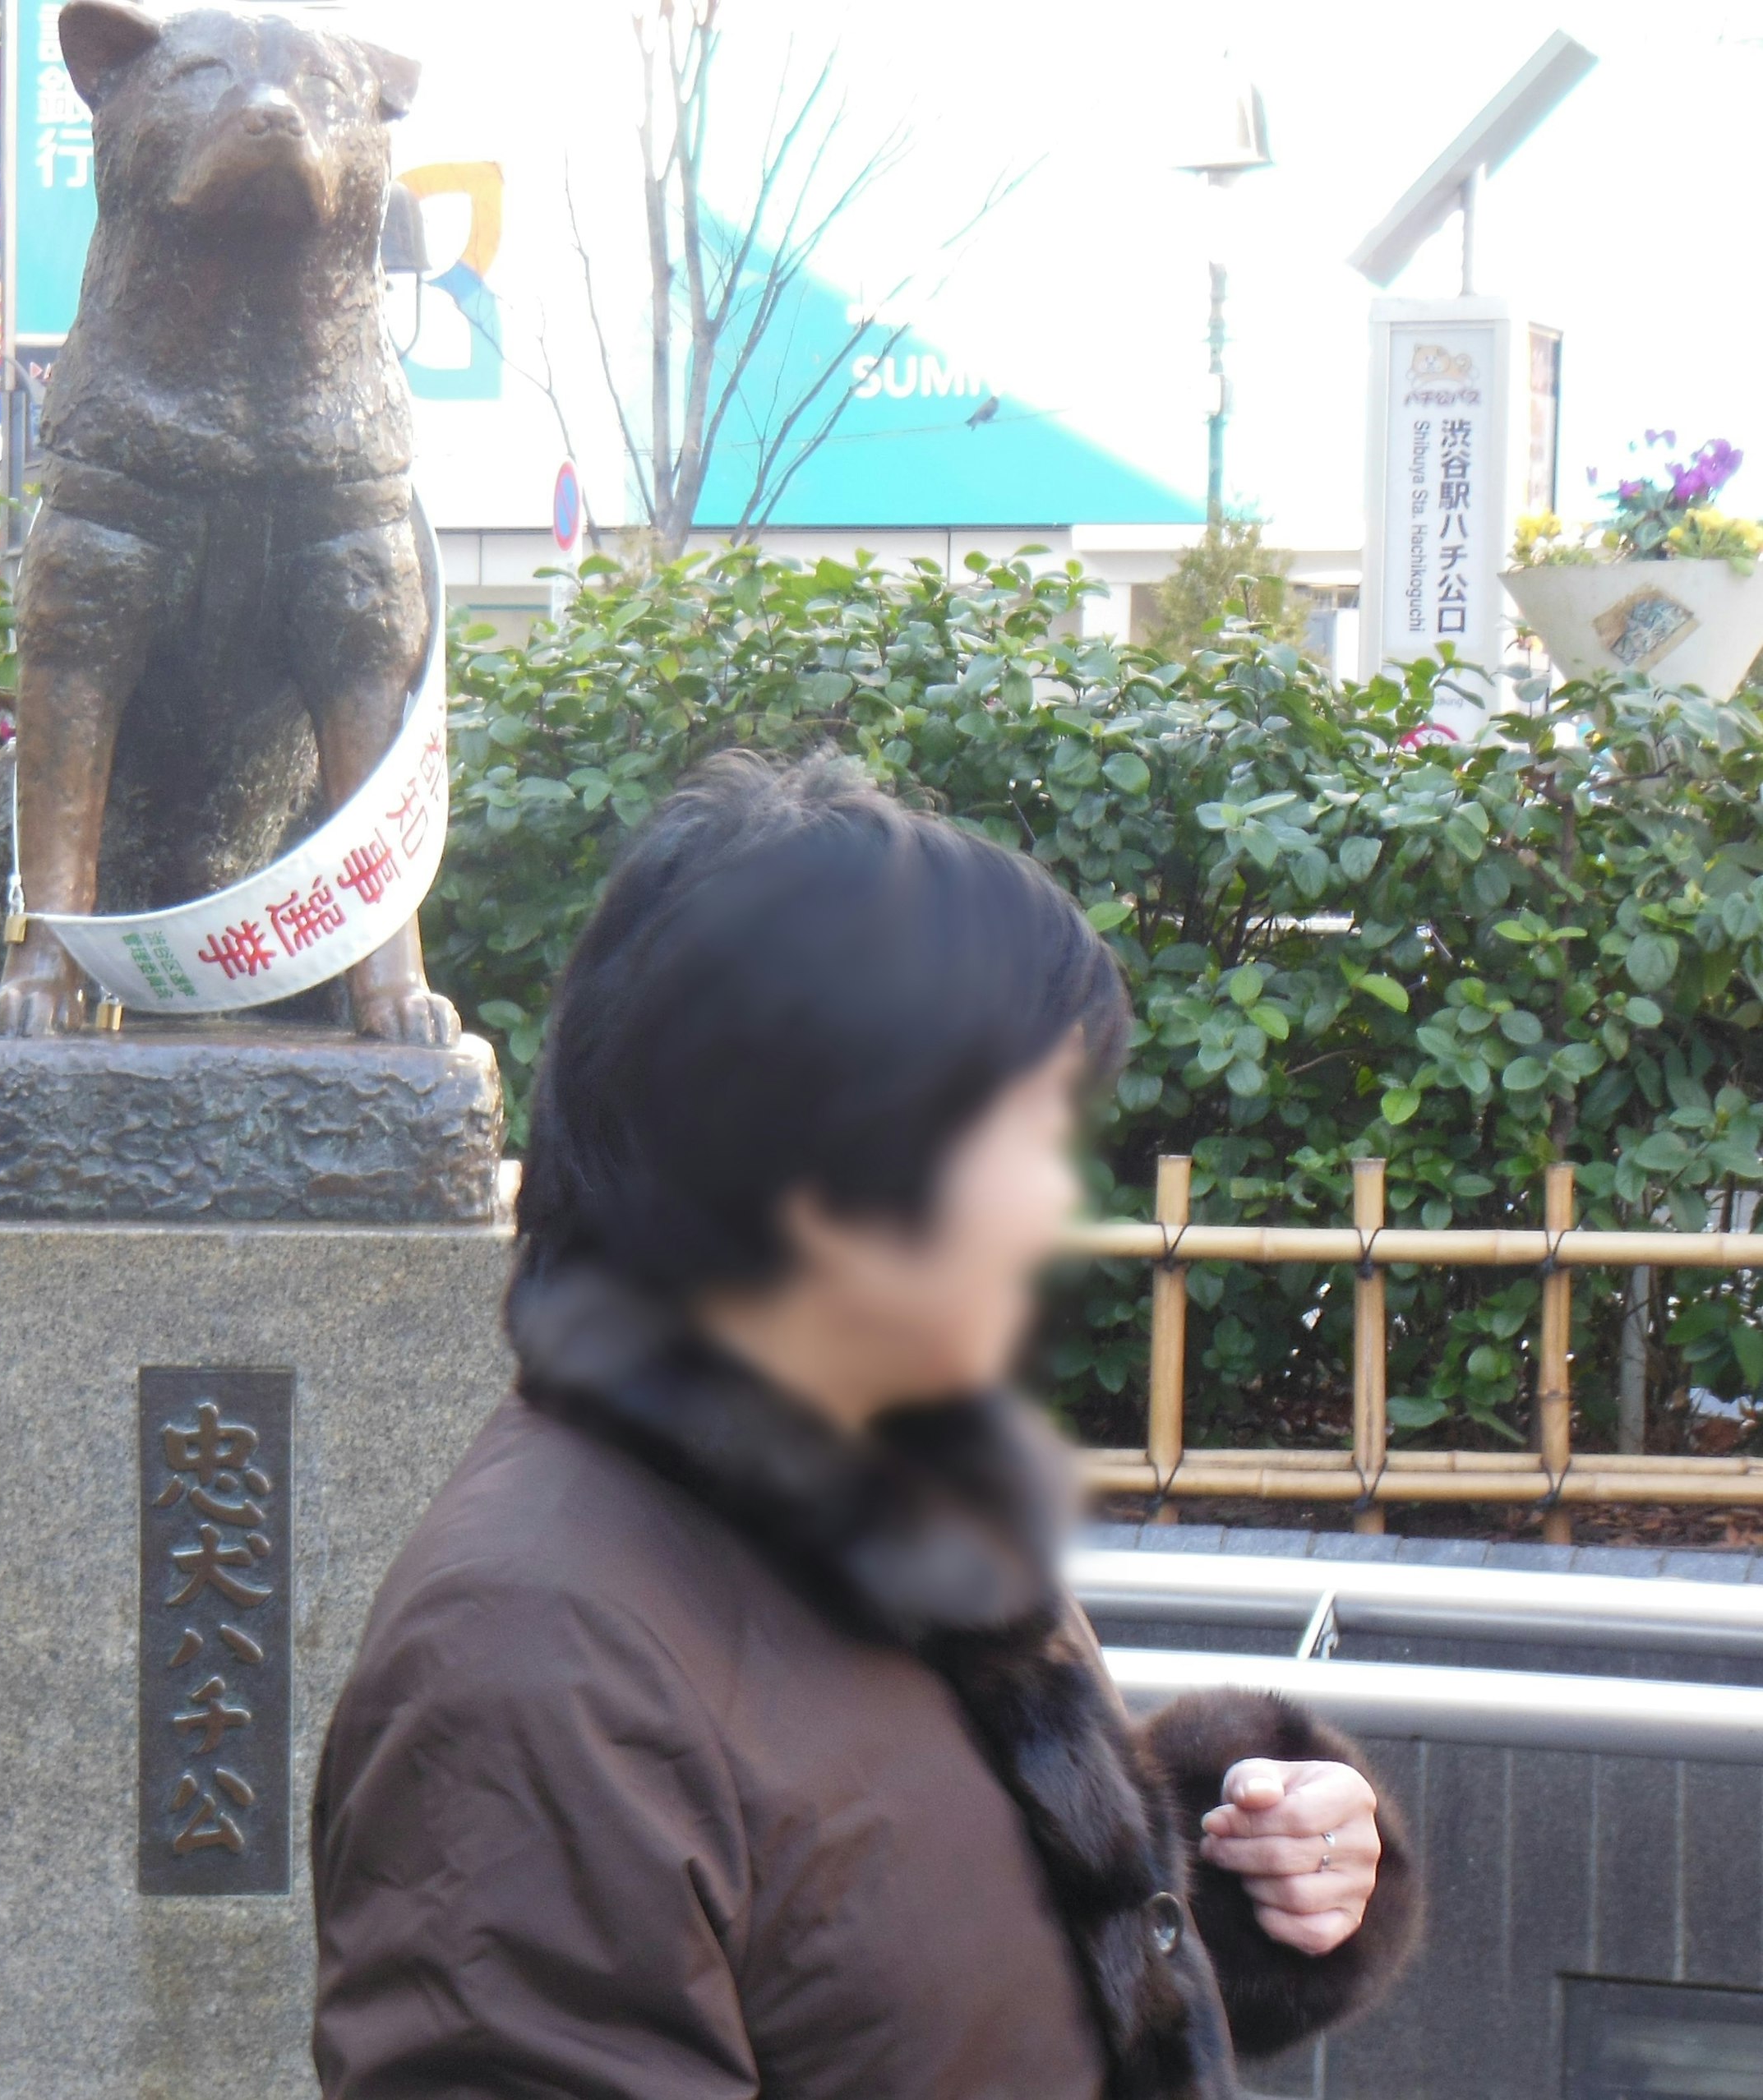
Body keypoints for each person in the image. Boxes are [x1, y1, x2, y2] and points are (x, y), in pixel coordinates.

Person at [311, 755, 1420, 2099]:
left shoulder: (875, 1480)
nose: (1056, 1206)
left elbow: (922, 1935)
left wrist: (1250, 1853)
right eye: (1031, 1132)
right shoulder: (537, 1663)